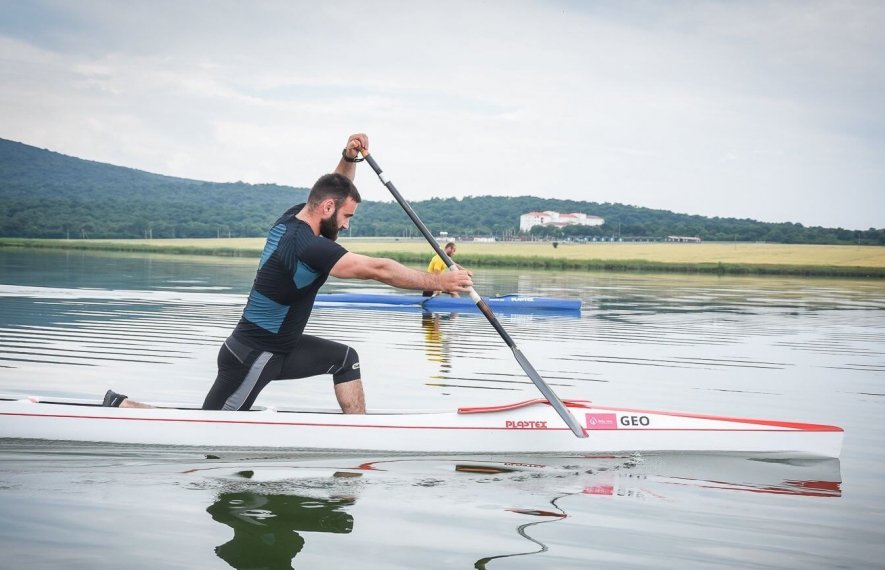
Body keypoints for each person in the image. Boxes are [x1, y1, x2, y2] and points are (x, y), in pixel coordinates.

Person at [103, 133, 473, 414]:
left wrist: (348, 158)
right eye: (347, 217)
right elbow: (375, 269)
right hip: (253, 356)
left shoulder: (298, 216)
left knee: (346, 359)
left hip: (281, 349)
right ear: (328, 209)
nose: (346, 226)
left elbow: (333, 187)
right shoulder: (306, 246)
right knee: (208, 435)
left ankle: (361, 437)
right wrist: (438, 282)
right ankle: (123, 408)